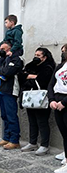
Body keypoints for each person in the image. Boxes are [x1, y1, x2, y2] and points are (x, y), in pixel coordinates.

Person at [19, 48, 55, 155]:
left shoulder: (48, 67)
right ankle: (32, 142)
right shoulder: (32, 65)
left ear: (45, 57)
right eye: (35, 54)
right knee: (32, 121)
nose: (36, 57)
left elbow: (42, 81)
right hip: (30, 98)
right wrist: (30, 77)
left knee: (42, 122)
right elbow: (20, 76)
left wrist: (28, 77)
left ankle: (44, 145)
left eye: (39, 55)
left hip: (41, 98)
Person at [0, 42, 24, 149]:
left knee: (11, 116)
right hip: (2, 90)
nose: (1, 51)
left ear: (10, 49)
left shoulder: (16, 59)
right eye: (0, 48)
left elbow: (7, 71)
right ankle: (6, 137)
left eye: (4, 49)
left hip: (10, 91)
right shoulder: (4, 59)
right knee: (4, 116)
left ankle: (14, 140)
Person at [48, 44, 67, 173]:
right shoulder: (61, 66)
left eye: (64, 51)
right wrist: (52, 100)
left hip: (65, 101)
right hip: (57, 100)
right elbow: (51, 84)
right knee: (64, 132)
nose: (63, 54)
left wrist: (65, 102)